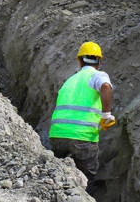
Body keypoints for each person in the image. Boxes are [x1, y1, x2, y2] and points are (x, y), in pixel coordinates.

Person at [49, 41, 115, 195]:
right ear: (99, 62)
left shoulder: (69, 80)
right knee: (87, 178)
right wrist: (106, 115)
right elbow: (106, 87)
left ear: (79, 60)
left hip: (57, 135)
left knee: (59, 178)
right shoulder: (97, 75)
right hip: (82, 137)